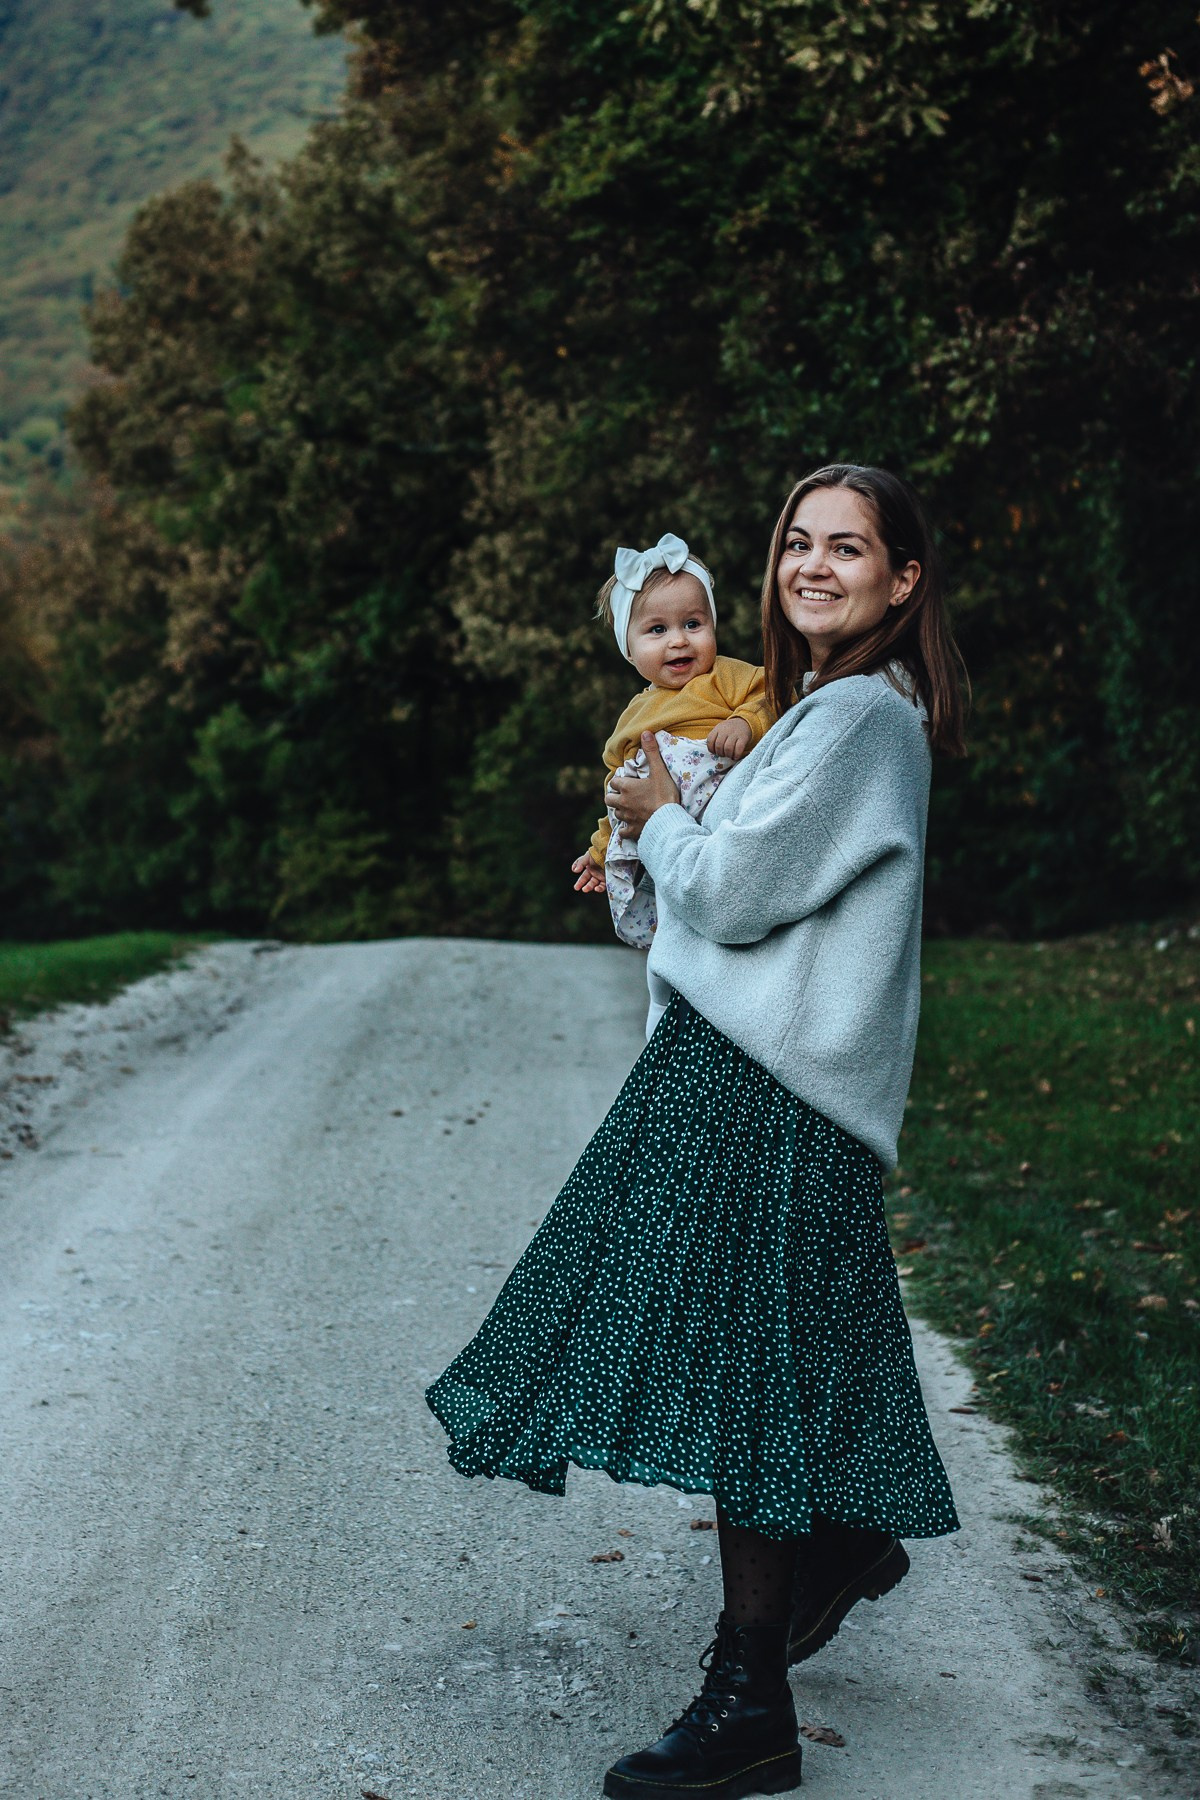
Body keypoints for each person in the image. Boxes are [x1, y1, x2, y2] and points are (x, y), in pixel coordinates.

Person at [426, 463, 965, 1800]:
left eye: (850, 548)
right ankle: (839, 1541)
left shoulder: (855, 724)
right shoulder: (815, 714)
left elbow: (724, 893)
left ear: (904, 580)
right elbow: (712, 883)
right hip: (770, 1063)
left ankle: (749, 1700)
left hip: (775, 1076)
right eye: (797, 542)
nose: (814, 564)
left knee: (743, 1359)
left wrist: (662, 824)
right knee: (781, 1339)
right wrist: (648, 835)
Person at [570, 531, 771, 971]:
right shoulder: (634, 716)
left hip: (723, 829)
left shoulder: (725, 678)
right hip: (664, 840)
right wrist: (601, 851)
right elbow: (620, 793)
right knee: (675, 948)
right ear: (629, 647)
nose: (678, 640)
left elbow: (774, 696)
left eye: (693, 624)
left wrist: (744, 721)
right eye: (657, 630)